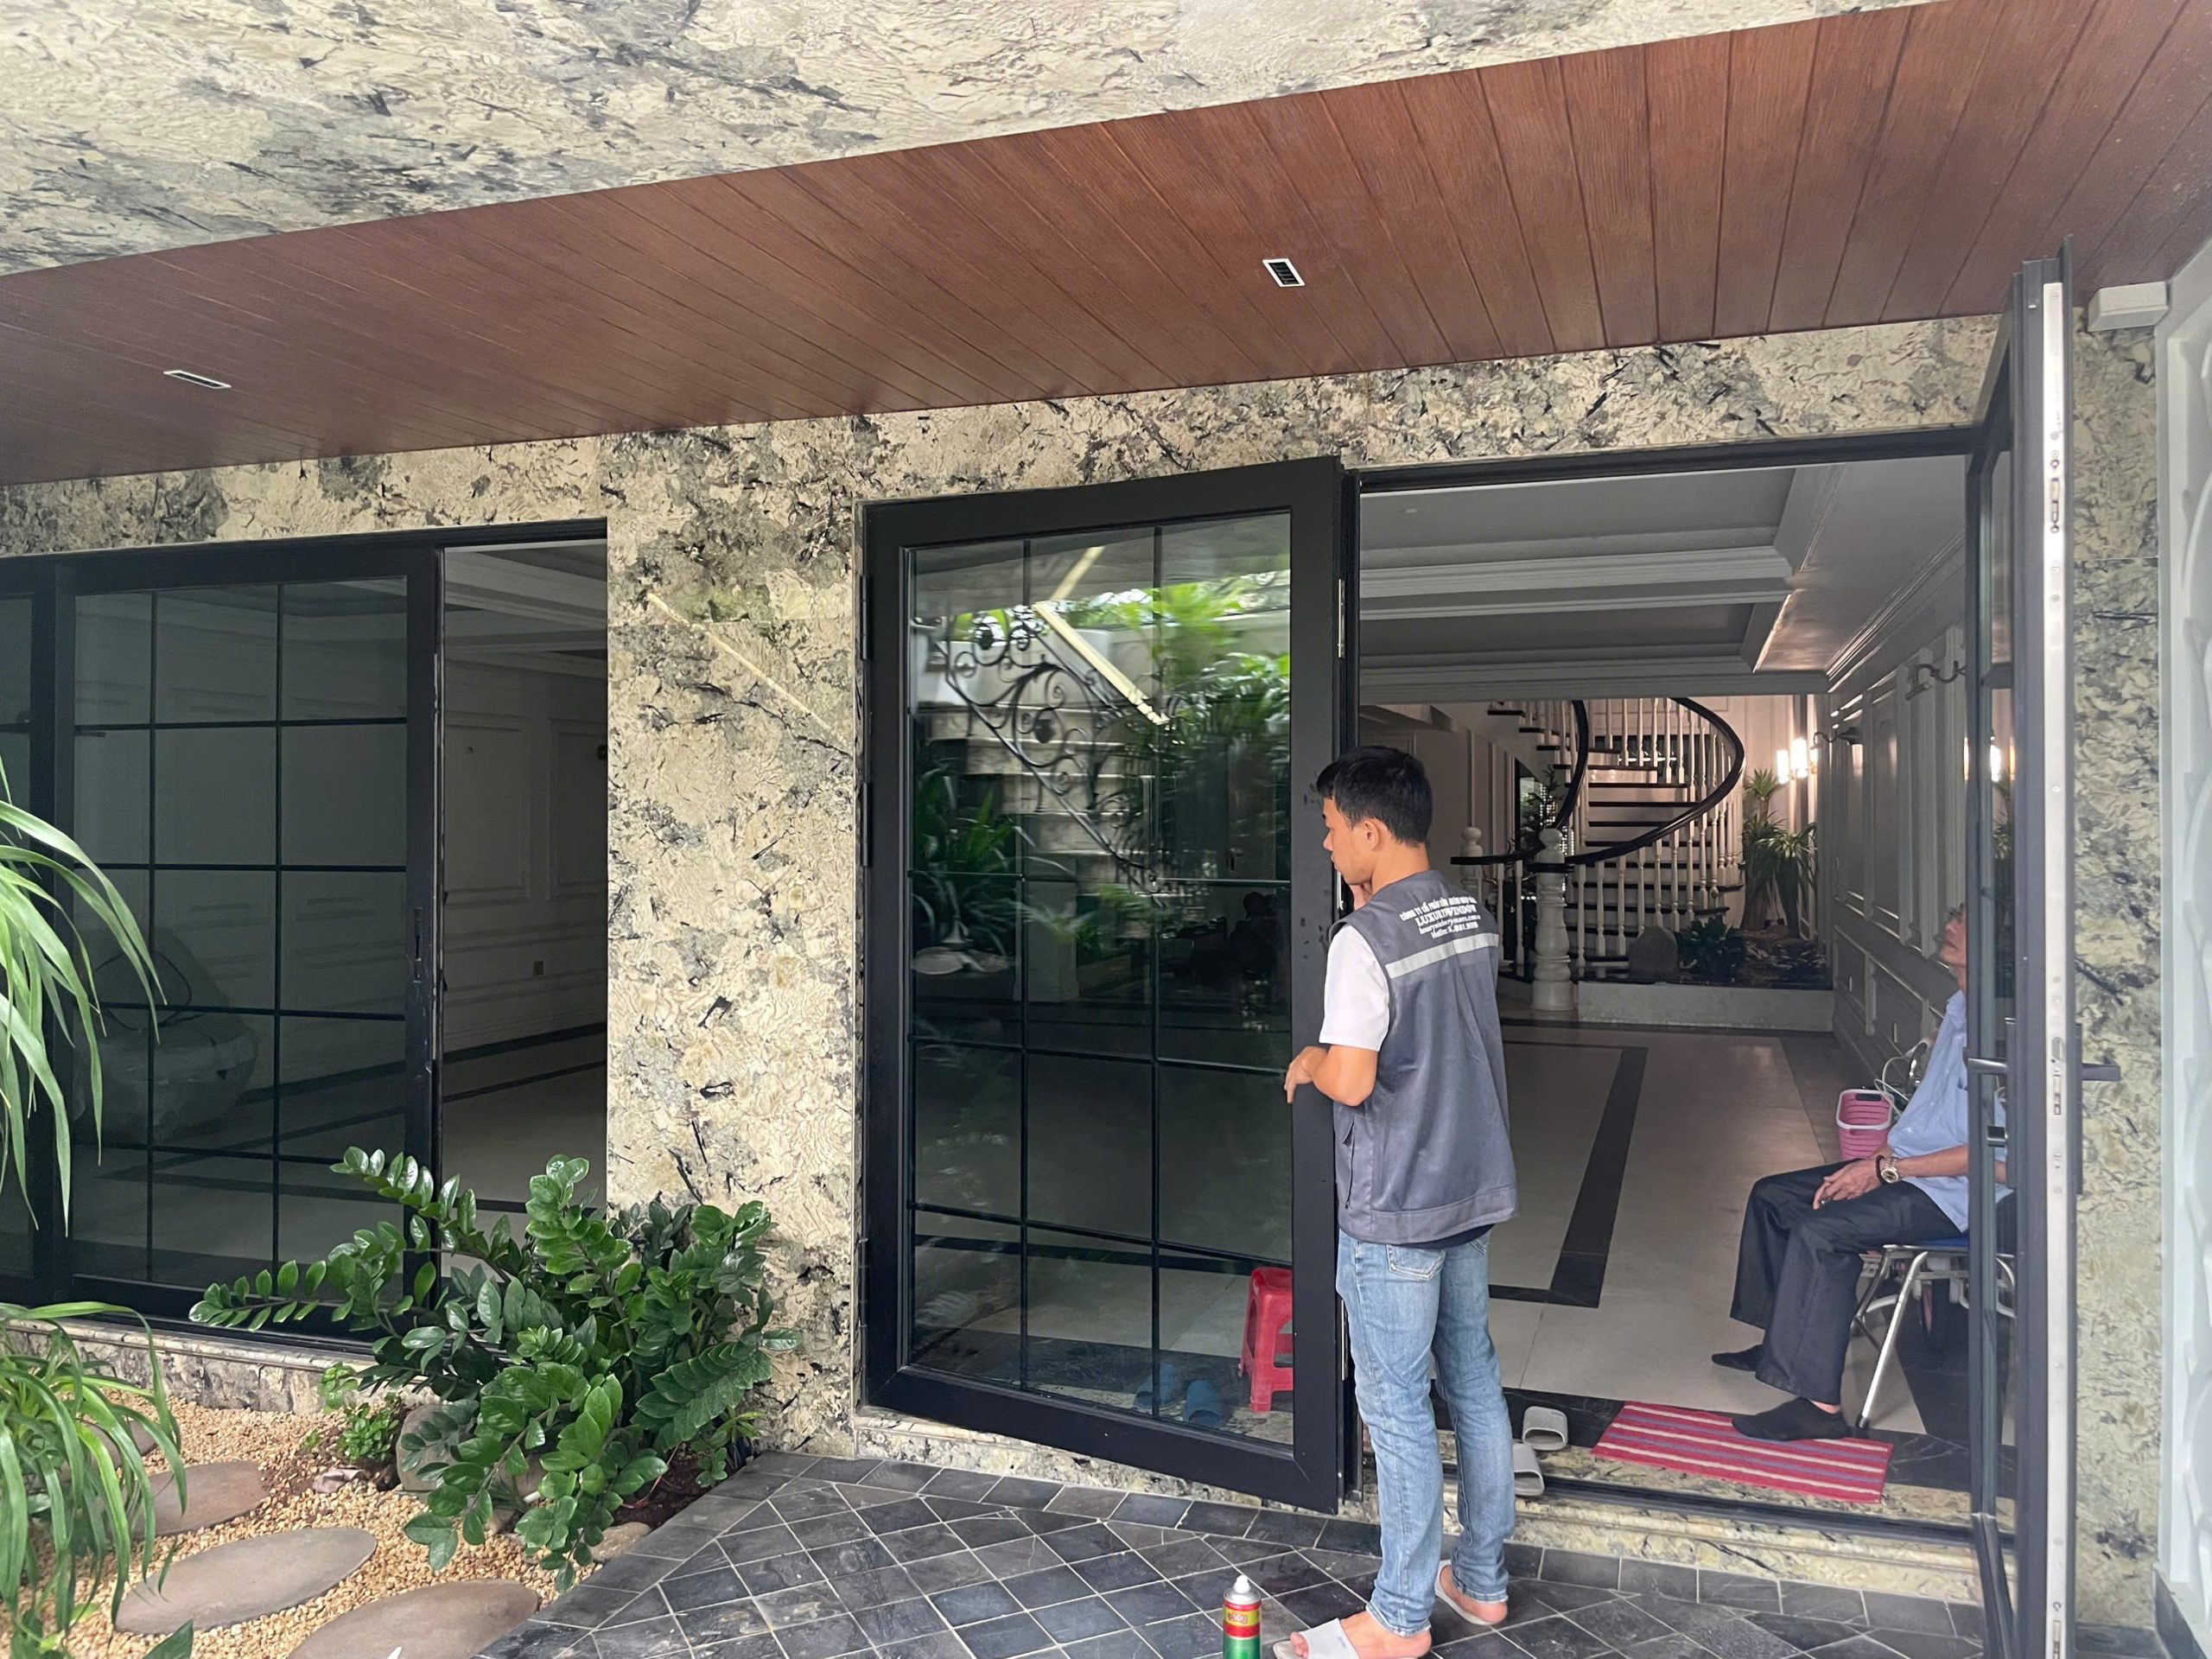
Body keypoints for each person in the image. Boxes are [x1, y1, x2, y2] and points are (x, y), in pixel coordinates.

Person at [1277, 747, 1518, 1659]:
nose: (1328, 846)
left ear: (1372, 831)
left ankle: (1399, 1617)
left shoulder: (1364, 938)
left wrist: (1309, 1061)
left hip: (1398, 1207)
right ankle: (1481, 1584)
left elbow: (1353, 1077)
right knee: (1474, 1382)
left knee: (1397, 1406)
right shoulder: (1469, 914)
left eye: (1333, 830)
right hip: (1470, 1186)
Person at [1715, 903, 1993, 1440]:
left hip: (1956, 1195)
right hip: (1909, 1168)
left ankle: (1819, 1407)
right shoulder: (1959, 1008)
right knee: (1774, 1198)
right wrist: (1877, 1159)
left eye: (1964, 919)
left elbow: (1998, 1158)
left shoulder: (2005, 1035)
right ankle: (1783, 1342)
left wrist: (1888, 1171)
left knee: (1824, 1232)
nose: (1950, 925)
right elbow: (1924, 1114)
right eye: (1953, 914)